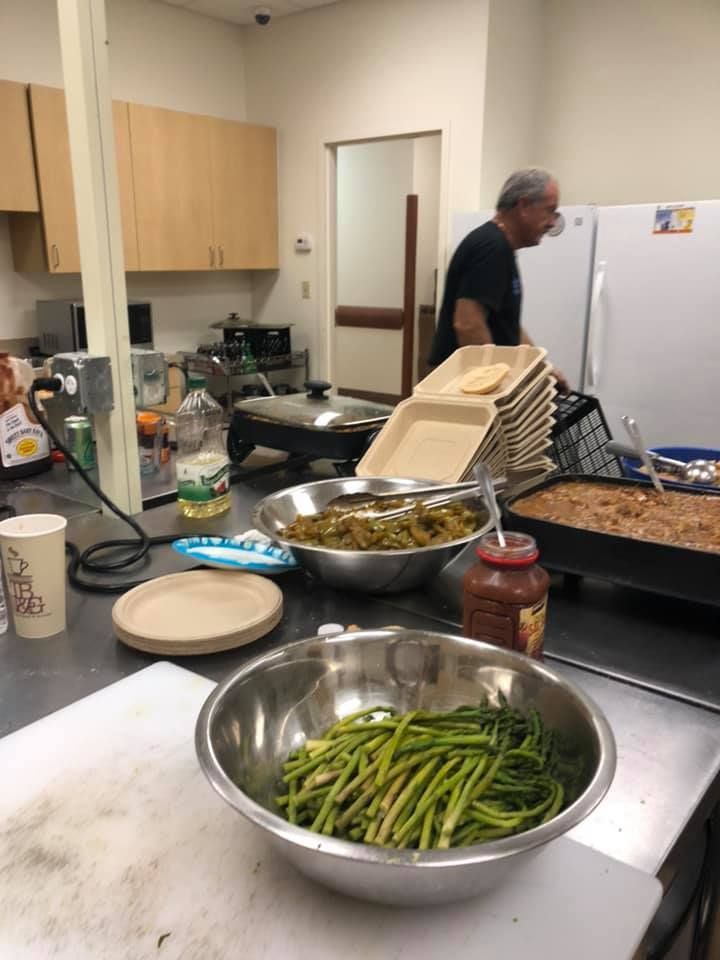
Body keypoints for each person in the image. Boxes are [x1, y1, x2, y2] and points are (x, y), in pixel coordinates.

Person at [428, 168, 569, 391]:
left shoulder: (500, 247)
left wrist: (541, 368)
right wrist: (497, 387)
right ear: (524, 206)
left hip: (470, 384)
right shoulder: (491, 247)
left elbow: (508, 325)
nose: (552, 223)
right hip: (462, 387)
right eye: (549, 211)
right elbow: (468, 325)